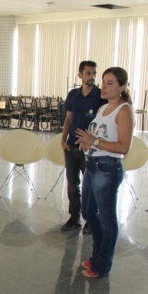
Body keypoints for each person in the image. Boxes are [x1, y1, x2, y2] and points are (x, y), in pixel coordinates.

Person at [75, 67, 133, 278]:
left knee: (107, 219)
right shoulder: (103, 109)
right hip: (92, 163)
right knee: (89, 212)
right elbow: (96, 137)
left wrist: (95, 141)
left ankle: (102, 264)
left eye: (110, 83)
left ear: (122, 87)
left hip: (108, 168)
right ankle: (97, 255)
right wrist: (86, 143)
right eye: (104, 82)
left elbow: (123, 147)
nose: (104, 86)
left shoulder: (123, 110)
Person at [61, 61, 107, 233]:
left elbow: (104, 123)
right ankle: (74, 218)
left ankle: (90, 219)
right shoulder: (73, 95)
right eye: (88, 73)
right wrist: (63, 140)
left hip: (90, 150)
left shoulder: (100, 96)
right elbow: (68, 119)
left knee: (90, 186)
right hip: (72, 147)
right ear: (80, 75)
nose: (92, 77)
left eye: (94, 73)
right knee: (72, 185)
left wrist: (94, 143)